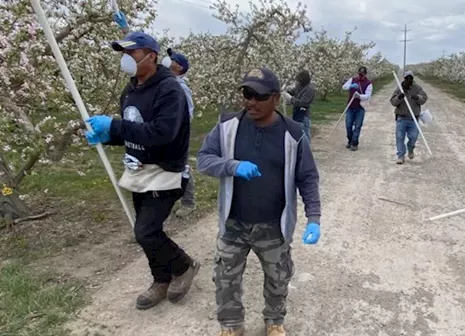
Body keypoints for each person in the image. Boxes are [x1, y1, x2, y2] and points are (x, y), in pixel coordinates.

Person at [196, 67, 322, 336]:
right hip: (234, 223)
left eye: (259, 96)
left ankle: (274, 321)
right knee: (225, 278)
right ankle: (231, 326)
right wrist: (231, 165)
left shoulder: (293, 133)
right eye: (246, 93)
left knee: (278, 278)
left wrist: (314, 218)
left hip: (273, 225)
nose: (251, 101)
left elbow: (308, 178)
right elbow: (204, 159)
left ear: (276, 99)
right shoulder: (227, 126)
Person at [83, 31, 200, 310]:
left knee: (146, 232)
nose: (126, 59)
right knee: (145, 228)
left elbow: (162, 133)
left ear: (151, 55)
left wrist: (114, 126)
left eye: (132, 53)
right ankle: (160, 278)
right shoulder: (131, 89)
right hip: (137, 169)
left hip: (165, 170)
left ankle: (184, 266)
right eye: (124, 54)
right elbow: (133, 129)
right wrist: (108, 136)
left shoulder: (169, 89)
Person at [161, 48, 196, 218]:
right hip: (164, 133)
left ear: (179, 68)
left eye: (172, 60)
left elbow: (188, 112)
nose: (168, 61)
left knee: (182, 166)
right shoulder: (164, 83)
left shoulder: (182, 88)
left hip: (177, 135)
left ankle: (189, 202)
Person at [389, 71, 427, 164]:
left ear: (413, 79)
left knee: (413, 137)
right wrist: (399, 97)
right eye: (407, 78)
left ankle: (410, 148)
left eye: (410, 78)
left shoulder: (418, 88)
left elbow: (424, 98)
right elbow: (393, 102)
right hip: (401, 118)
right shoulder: (399, 89)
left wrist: (417, 97)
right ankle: (400, 156)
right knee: (400, 137)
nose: (408, 80)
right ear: (404, 78)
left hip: (413, 118)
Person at [341, 66, 373, 151]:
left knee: (357, 126)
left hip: (360, 108)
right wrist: (351, 86)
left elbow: (368, 96)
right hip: (350, 106)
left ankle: (354, 143)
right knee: (348, 125)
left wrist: (359, 96)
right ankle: (350, 140)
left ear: (365, 74)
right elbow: (344, 87)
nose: (360, 76)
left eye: (362, 74)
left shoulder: (369, 83)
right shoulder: (353, 80)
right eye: (359, 74)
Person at [281, 69, 315, 142]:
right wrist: (286, 92)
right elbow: (294, 92)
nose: (298, 81)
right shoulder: (299, 86)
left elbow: (303, 103)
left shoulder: (310, 89)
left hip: (303, 115)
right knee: (297, 133)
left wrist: (291, 99)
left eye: (299, 79)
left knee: (304, 134)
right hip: (296, 113)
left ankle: (306, 150)